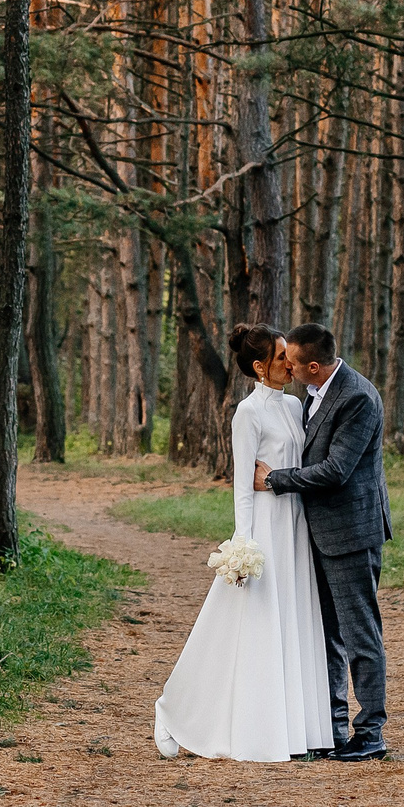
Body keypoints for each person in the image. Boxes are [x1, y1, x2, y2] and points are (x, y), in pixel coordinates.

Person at [152, 326, 333, 762]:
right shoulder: (247, 413)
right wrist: (243, 543)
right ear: (259, 366)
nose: (289, 364)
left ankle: (294, 732)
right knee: (247, 623)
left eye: (288, 356)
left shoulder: (295, 404)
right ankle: (173, 708)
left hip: (295, 524)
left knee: (290, 622)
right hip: (266, 528)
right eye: (279, 358)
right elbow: (242, 485)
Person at [254, 321, 390, 761]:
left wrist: (275, 480)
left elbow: (336, 470)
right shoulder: (310, 395)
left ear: (313, 365)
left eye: (291, 362)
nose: (286, 369)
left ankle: (371, 732)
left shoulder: (357, 398)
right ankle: (332, 727)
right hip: (318, 534)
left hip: (351, 533)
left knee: (360, 634)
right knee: (326, 635)